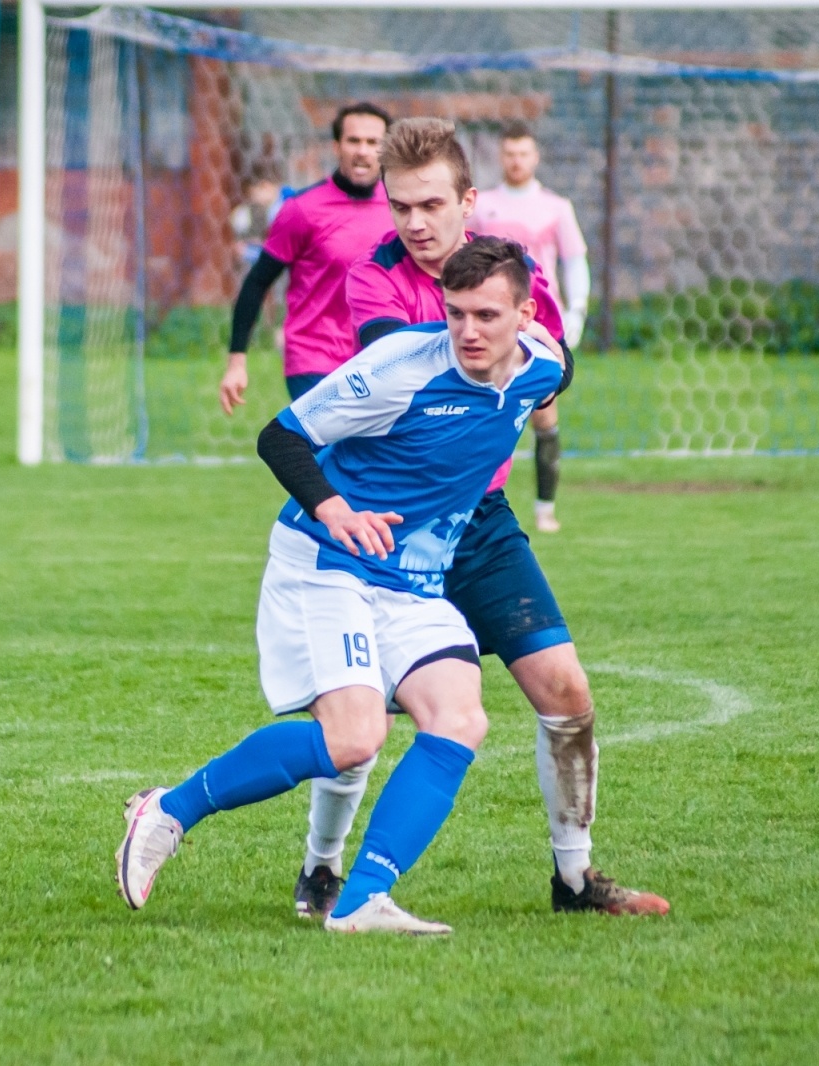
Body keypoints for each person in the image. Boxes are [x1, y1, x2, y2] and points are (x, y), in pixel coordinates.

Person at [118, 239, 569, 935]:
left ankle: (360, 901)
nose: (469, 332)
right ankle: (170, 810)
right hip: (327, 561)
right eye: (455, 314)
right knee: (353, 741)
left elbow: (560, 371)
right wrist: (337, 510)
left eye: (486, 315)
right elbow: (280, 437)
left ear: (526, 315)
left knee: (460, 719)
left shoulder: (540, 364)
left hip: (414, 581)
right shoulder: (399, 368)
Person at [291, 116, 668, 922]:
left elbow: (558, 363)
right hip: (393, 524)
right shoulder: (376, 279)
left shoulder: (512, 267)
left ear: (470, 200)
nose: (415, 223)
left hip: (480, 521)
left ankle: (574, 881)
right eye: (400, 207)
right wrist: (504, 334)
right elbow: (421, 372)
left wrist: (544, 351)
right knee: (362, 720)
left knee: (566, 690)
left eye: (431, 204)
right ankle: (323, 866)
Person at [218, 103, 393, 413]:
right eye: (354, 141)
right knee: (332, 455)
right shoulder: (303, 209)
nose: (363, 151)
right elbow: (258, 281)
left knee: (370, 460)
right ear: (337, 146)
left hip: (377, 359)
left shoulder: (401, 209)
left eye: (372, 142)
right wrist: (236, 362)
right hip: (315, 358)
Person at [474, 121, 591, 534]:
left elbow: (575, 259)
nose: (516, 160)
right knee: (485, 406)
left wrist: (576, 310)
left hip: (539, 322)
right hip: (491, 323)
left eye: (523, 153)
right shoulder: (481, 205)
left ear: (535, 157)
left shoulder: (556, 207)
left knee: (544, 412)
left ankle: (545, 509)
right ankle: (477, 496)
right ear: (500, 156)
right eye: (509, 153)